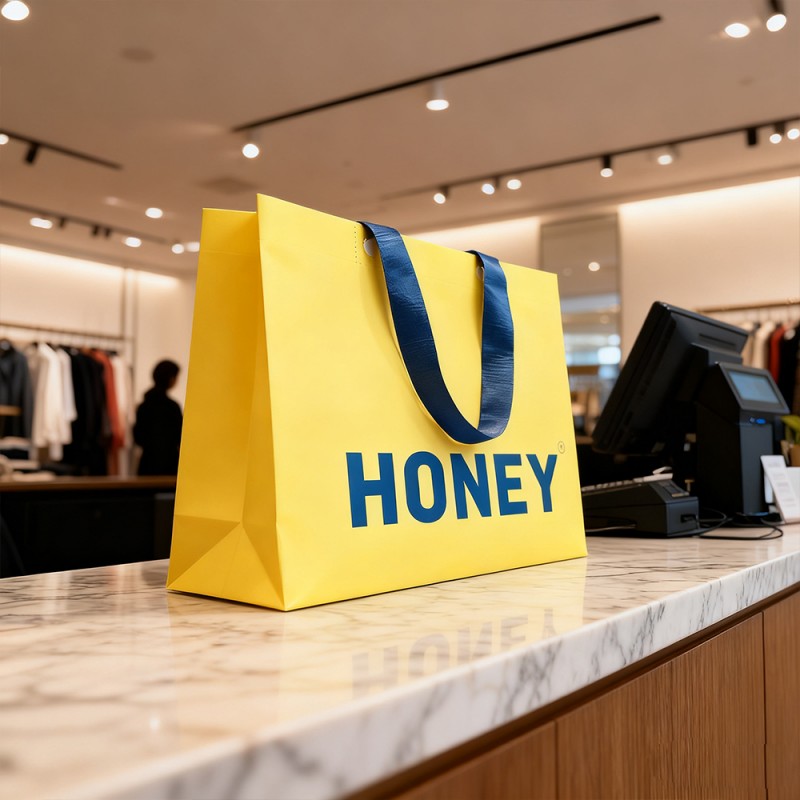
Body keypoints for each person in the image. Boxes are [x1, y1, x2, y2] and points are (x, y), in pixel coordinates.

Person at [134, 360, 183, 475]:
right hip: (170, 464)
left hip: (147, 464)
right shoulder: (172, 407)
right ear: (171, 378)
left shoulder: (144, 405)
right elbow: (179, 436)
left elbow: (138, 437)